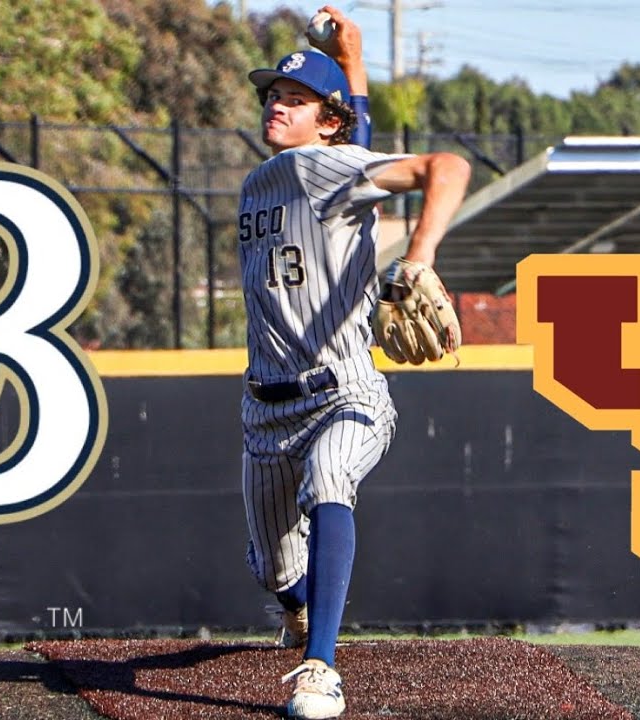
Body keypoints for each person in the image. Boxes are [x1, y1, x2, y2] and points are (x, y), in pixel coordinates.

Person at [237, 6, 470, 719]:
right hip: (264, 411)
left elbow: (448, 165)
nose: (278, 102)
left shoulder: (326, 164)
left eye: (296, 99)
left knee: (331, 477)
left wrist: (420, 255)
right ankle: (300, 617)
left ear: (326, 120)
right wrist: (354, 59)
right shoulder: (273, 177)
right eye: (274, 94)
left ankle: (320, 669)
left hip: (346, 390)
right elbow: (353, 151)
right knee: (276, 572)